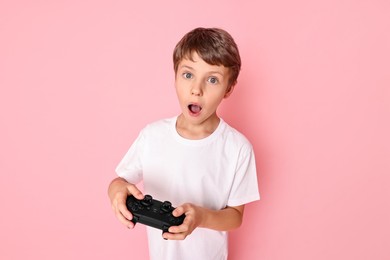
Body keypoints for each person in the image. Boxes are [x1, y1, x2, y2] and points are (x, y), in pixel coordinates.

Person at [108, 27, 260, 260]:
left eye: (212, 80)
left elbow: (235, 216)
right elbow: (120, 181)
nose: (196, 90)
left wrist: (200, 217)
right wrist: (116, 190)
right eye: (188, 75)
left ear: (228, 89)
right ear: (175, 75)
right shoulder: (152, 136)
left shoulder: (237, 148)